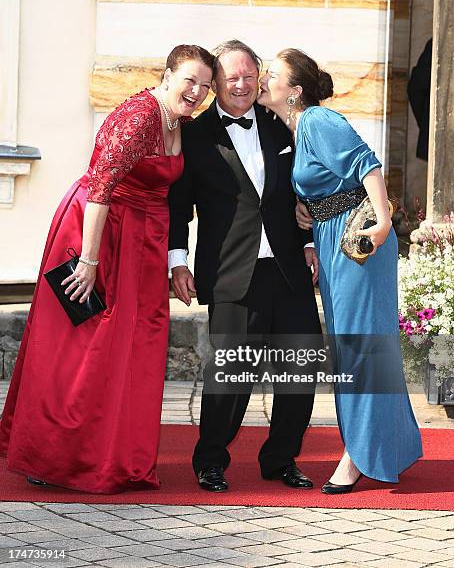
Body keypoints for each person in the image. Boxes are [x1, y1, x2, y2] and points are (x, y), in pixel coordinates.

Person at [0, 45, 214, 494]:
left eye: (205, 86)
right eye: (190, 80)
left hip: (142, 241)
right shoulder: (138, 117)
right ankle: (54, 457)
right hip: (98, 233)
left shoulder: (181, 121)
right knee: (80, 347)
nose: (196, 92)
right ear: (168, 74)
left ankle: (118, 458)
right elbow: (99, 189)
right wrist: (88, 262)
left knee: (132, 347)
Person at [258, 48, 422, 493]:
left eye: (271, 73)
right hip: (334, 238)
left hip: (359, 243)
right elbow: (327, 181)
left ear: (294, 91)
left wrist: (384, 221)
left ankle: (357, 455)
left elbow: (366, 165)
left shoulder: (317, 120)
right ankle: (388, 445)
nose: (263, 78)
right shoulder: (293, 125)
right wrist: (307, 209)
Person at [168, 40, 322, 493]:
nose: (240, 84)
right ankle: (210, 459)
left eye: (248, 75)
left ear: (258, 76)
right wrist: (178, 261)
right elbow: (178, 208)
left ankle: (280, 459)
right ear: (215, 83)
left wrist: (310, 238)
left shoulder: (281, 126)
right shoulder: (194, 135)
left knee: (301, 368)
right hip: (231, 273)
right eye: (230, 77)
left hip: (289, 269)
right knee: (232, 376)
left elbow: (305, 188)